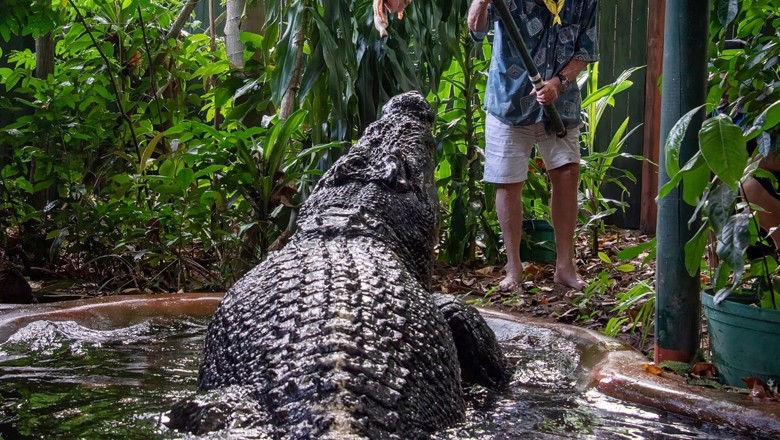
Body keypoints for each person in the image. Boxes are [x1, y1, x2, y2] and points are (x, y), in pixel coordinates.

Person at [467, 0, 598, 291]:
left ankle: (565, 266)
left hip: (560, 102)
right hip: (509, 100)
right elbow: (476, 30)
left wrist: (559, 81)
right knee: (508, 181)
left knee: (567, 173)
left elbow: (586, 49)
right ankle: (513, 269)